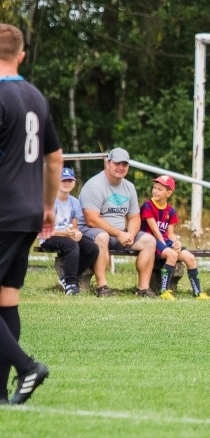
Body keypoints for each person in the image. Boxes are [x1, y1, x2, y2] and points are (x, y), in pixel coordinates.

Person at [0, 22, 63, 404]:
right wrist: (48, 206)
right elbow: (54, 159)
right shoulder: (36, 97)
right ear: (21, 55)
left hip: (2, 213)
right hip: (27, 213)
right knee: (6, 300)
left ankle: (27, 368)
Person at [78, 147, 158, 297]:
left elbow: (134, 217)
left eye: (125, 164)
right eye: (117, 164)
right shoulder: (94, 185)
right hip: (91, 232)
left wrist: (131, 234)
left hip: (119, 233)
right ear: (108, 163)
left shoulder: (129, 187)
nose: (121, 168)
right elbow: (91, 219)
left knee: (149, 241)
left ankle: (143, 289)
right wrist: (119, 233)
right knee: (103, 237)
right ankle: (102, 287)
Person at [141, 175, 210, 301]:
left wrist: (177, 243)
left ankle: (198, 292)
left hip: (165, 241)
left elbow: (170, 234)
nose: (155, 191)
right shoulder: (148, 206)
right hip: (151, 241)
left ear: (169, 193)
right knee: (172, 255)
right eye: (154, 188)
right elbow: (155, 231)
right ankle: (164, 291)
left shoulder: (170, 210)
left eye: (159, 189)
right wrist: (168, 248)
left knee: (190, 258)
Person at [39, 167, 101, 295]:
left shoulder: (74, 202)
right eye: (63, 180)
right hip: (49, 236)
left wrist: (76, 233)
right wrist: (65, 234)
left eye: (70, 180)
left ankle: (68, 277)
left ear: (74, 183)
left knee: (92, 248)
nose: (67, 183)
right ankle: (70, 284)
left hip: (66, 235)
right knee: (72, 245)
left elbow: (74, 225)